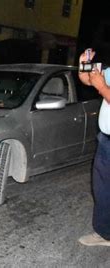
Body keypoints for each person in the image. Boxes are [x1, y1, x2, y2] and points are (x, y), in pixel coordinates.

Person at [77, 48, 110, 247]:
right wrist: (83, 63)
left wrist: (103, 87)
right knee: (102, 188)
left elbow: (100, 86)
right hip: (105, 140)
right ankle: (104, 233)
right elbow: (87, 79)